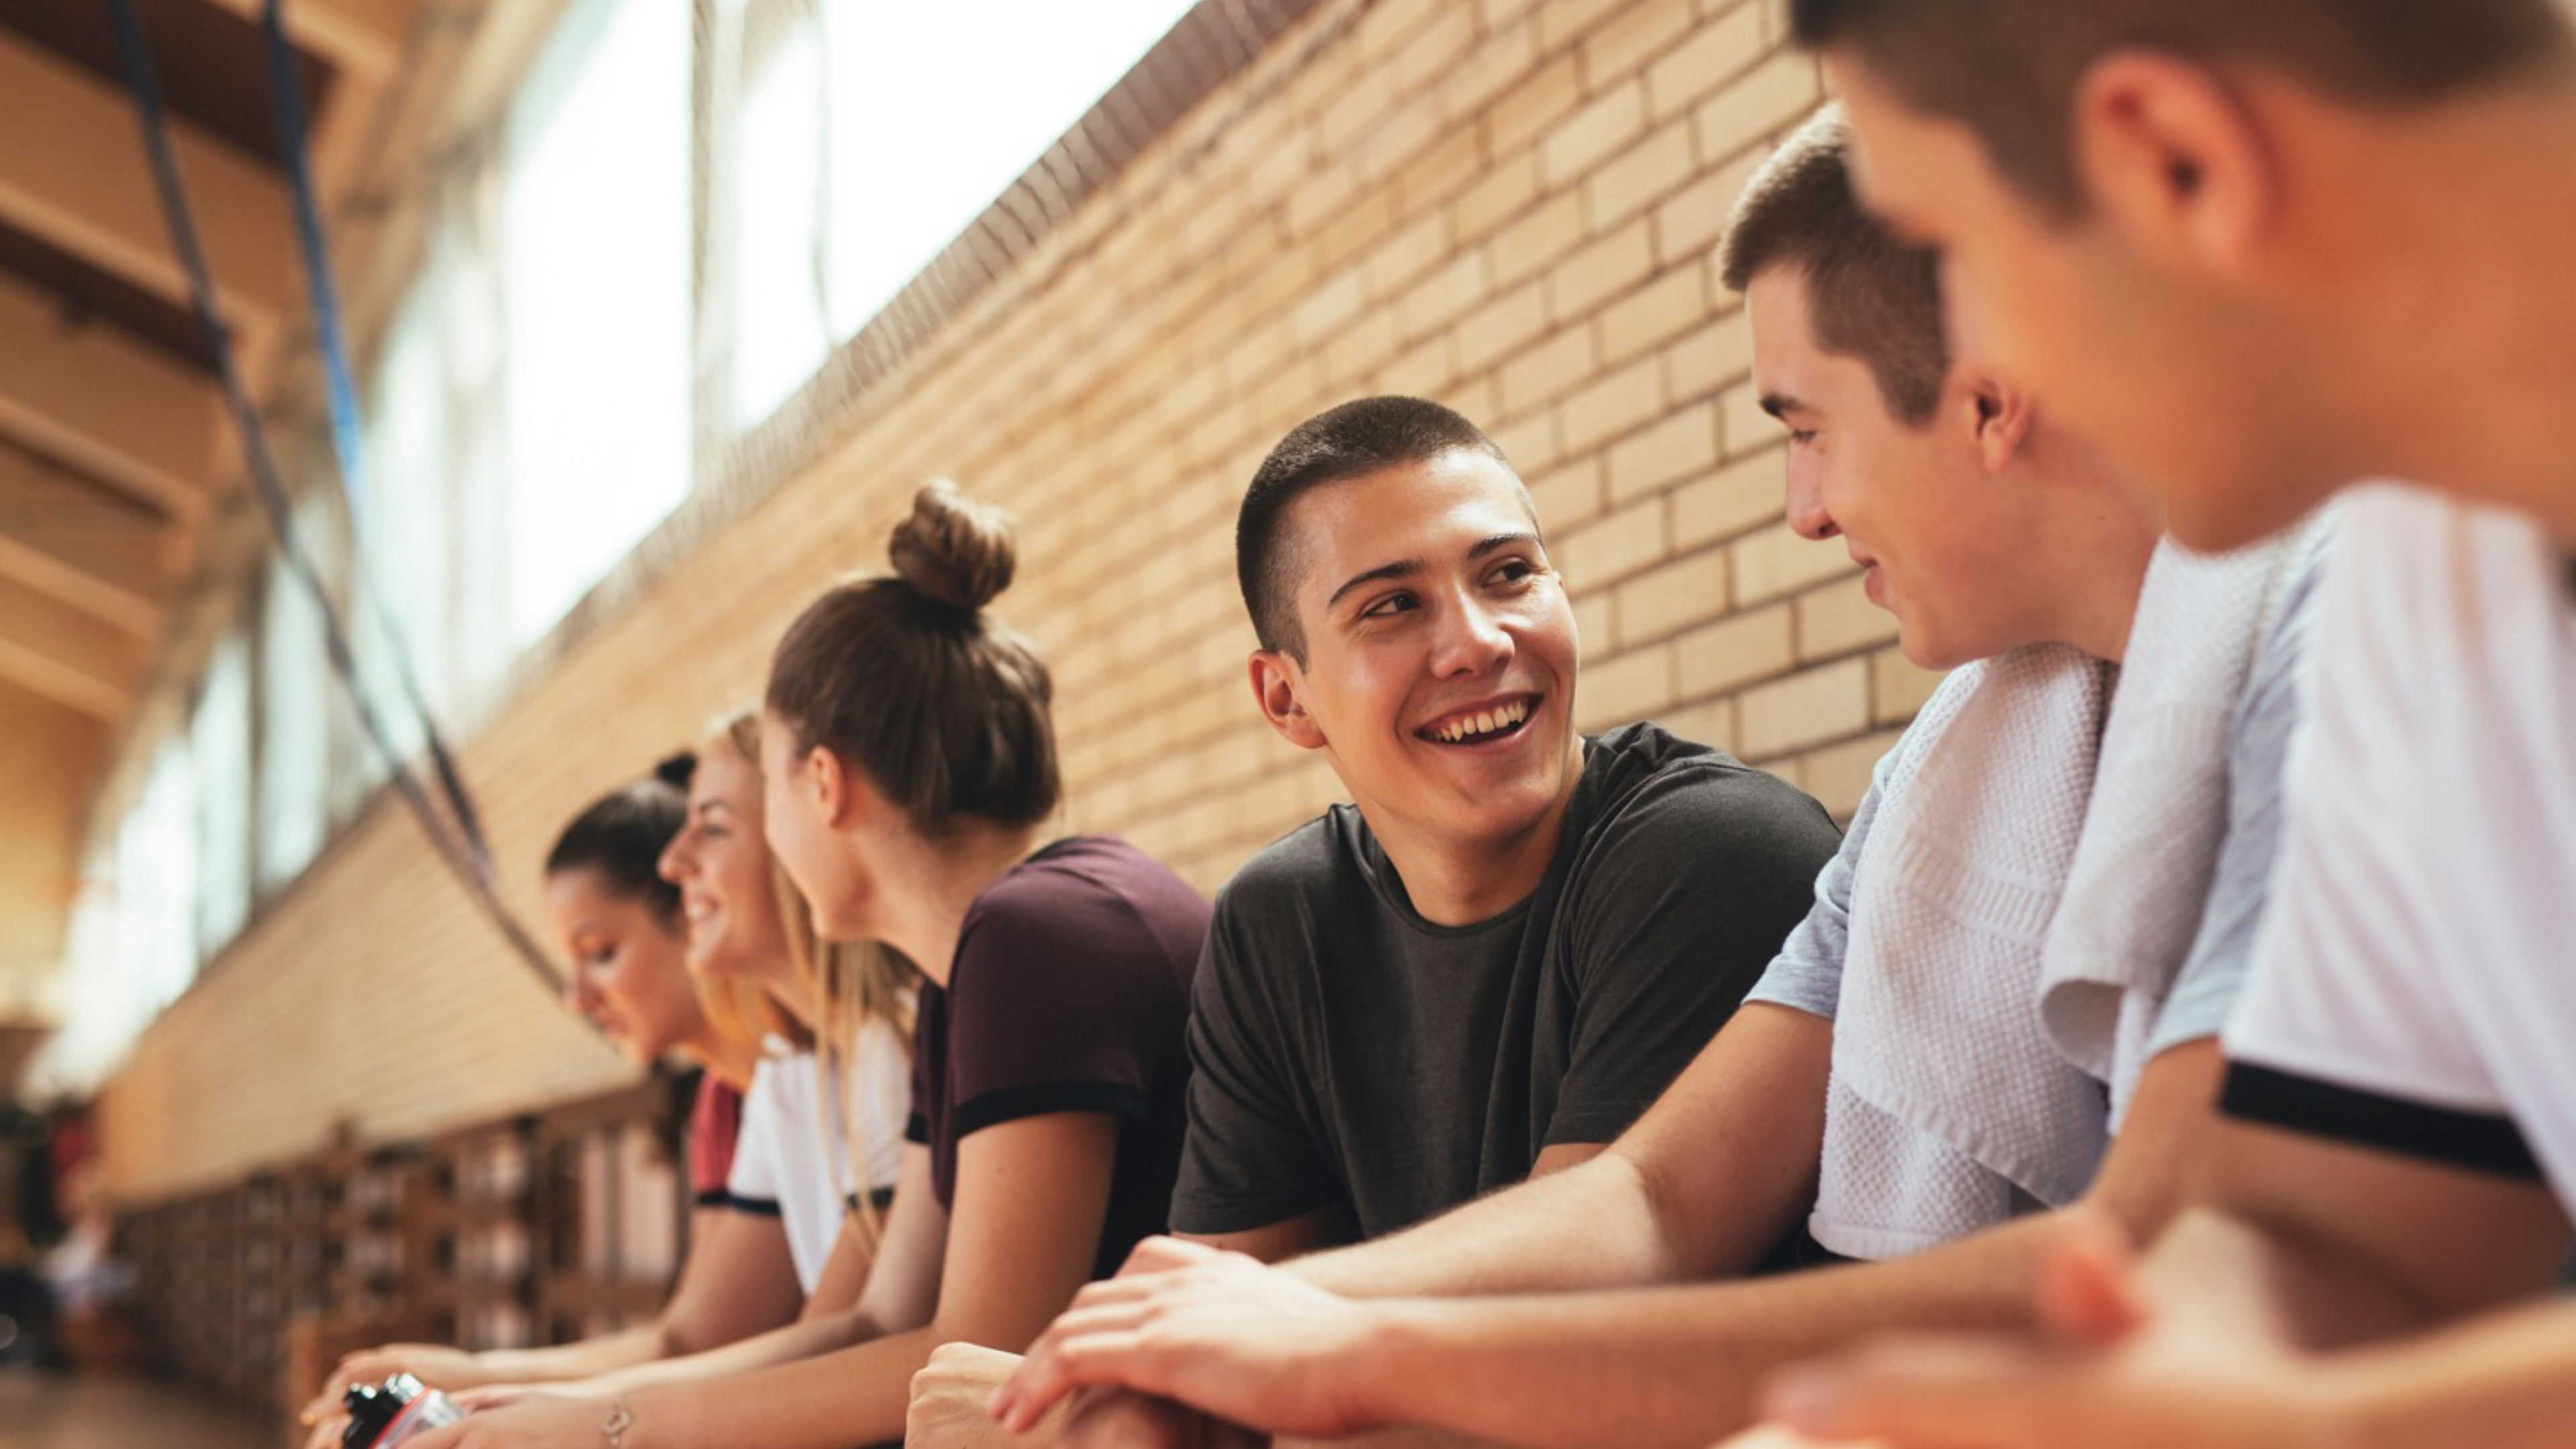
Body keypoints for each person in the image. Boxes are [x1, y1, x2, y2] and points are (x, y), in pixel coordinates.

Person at [985, 111, 2324, 1449]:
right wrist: (1205, 1331)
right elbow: (1659, 1199)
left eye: (1806, 427)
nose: (1802, 509)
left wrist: (1348, 1344)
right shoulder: (1960, 762)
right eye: (1390, 607)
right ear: (1285, 698)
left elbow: (2154, 1267)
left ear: (1986, 393)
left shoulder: (2322, 641)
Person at [1715, 5, 2576, 1446]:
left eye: (1959, 253)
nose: (1983, 376)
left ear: (2178, 164)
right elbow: (2338, 1243)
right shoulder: (2423, 563)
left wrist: (2327, 1425)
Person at [910, 394, 1842, 1447]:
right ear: (1287, 699)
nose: (1479, 641)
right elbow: (1206, 1361)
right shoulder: (1279, 923)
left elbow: (1571, 1334)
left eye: (1509, 573)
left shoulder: (1714, 853)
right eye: (1391, 607)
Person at [413, 482, 1208, 1449]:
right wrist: (576, 1412)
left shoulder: (1034, 935)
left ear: (823, 785)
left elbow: (974, 1363)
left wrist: (612, 1430)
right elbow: (876, 1319)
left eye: (762, 788)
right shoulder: (970, 972)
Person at [304, 761, 812, 1430]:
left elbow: (854, 1334)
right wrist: (480, 1376)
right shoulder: (731, 1102)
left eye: (599, 951)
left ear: (691, 913)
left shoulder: (818, 1068)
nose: (575, 997)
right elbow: (690, 1335)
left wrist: (570, 1415)